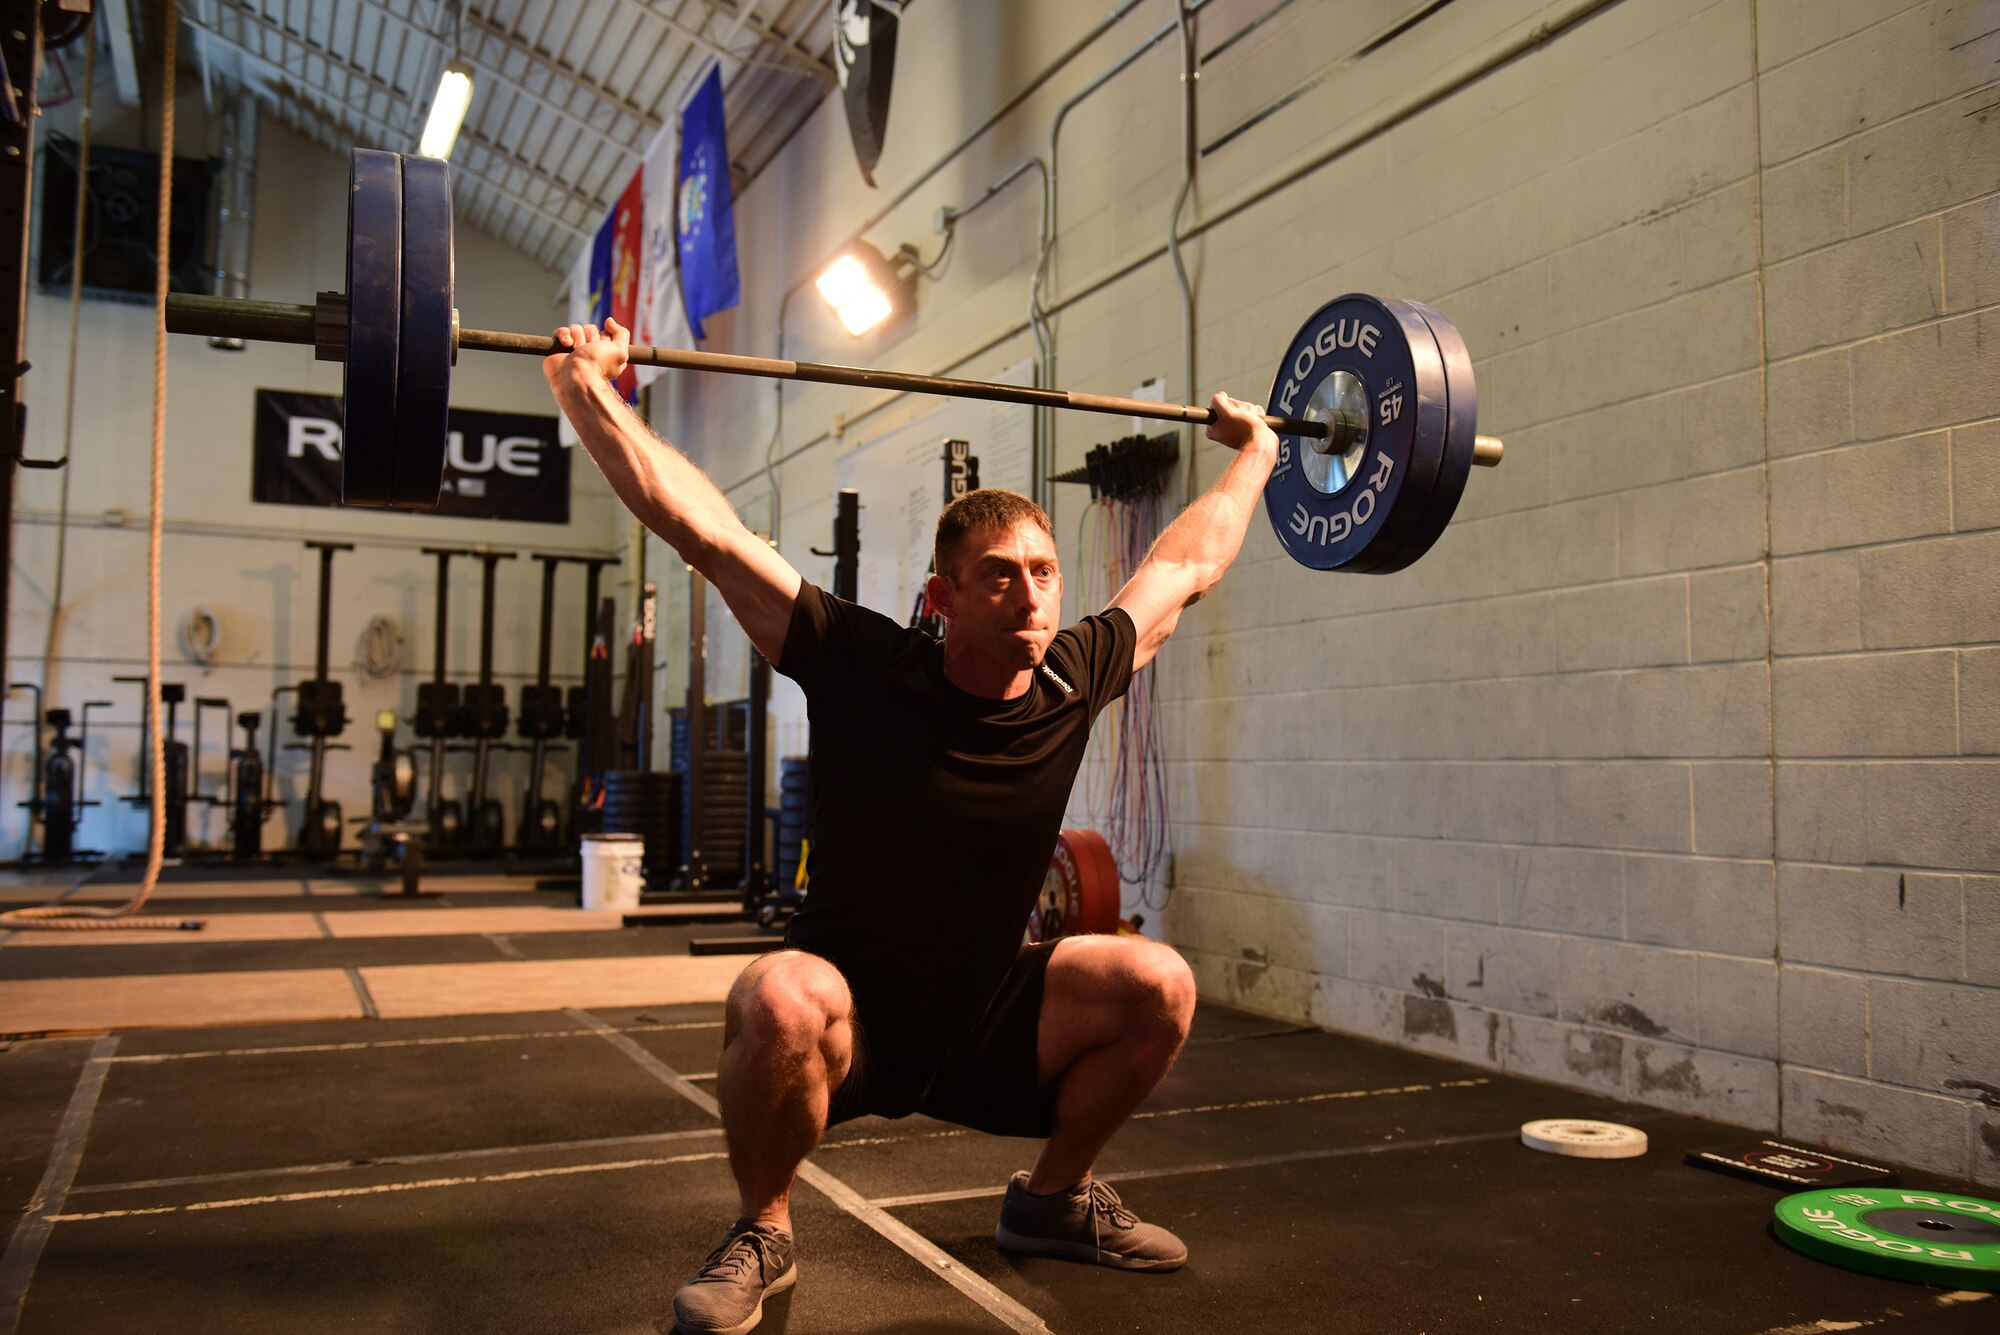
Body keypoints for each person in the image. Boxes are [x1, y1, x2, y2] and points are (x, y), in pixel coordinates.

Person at [545, 318, 1281, 1335]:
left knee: (1157, 981)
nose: (1028, 593)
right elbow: (704, 534)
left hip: (989, 1015)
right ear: (942, 597)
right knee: (774, 996)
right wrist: (588, 389)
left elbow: (1185, 564)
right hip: (852, 1015)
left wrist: (1259, 453)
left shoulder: (1071, 675)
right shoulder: (867, 665)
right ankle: (762, 1229)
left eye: (1041, 571)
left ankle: (1053, 1201)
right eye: (997, 575)